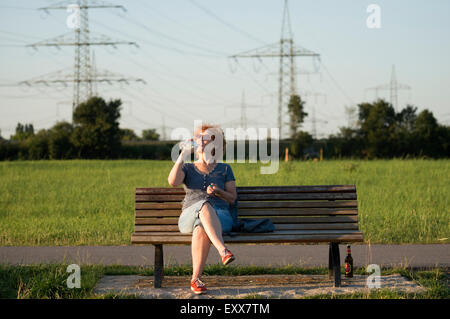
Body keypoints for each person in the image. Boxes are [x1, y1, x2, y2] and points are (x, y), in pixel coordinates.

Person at [167, 124, 237, 295]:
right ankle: (223, 250)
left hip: (221, 217)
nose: (201, 141)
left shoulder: (225, 169)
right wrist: (182, 155)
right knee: (203, 205)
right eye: (200, 137)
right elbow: (173, 182)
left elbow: (232, 198)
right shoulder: (188, 168)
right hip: (188, 216)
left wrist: (219, 192)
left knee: (201, 228)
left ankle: (195, 279)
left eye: (206, 138)